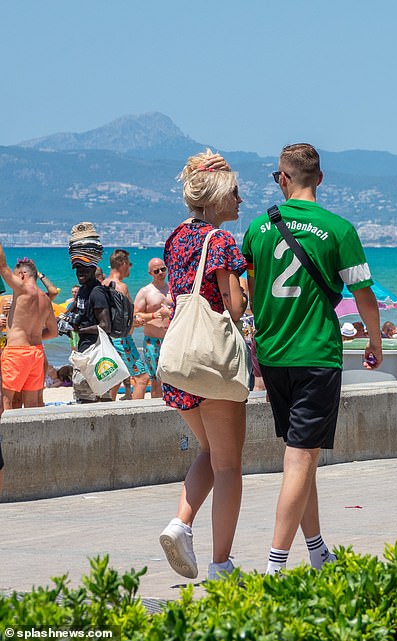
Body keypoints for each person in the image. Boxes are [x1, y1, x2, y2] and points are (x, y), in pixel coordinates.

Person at [242, 143, 382, 576]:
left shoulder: (257, 229)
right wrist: (373, 340)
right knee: (301, 459)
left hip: (274, 355)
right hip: (316, 354)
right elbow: (363, 297)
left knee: (302, 454)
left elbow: (253, 291)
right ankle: (276, 565)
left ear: (282, 179)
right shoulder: (339, 230)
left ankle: (319, 551)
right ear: (319, 178)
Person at [158, 150, 248, 582]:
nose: (240, 200)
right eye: (234, 192)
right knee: (229, 465)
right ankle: (220, 565)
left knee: (210, 452)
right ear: (214, 198)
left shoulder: (176, 237)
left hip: (179, 366)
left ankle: (180, 523)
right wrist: (247, 291)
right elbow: (233, 304)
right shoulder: (223, 242)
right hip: (212, 365)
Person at [64, 223, 113, 404]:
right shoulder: (84, 290)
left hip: (98, 354)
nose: (80, 272)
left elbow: (105, 326)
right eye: (78, 269)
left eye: (84, 269)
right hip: (84, 352)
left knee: (99, 399)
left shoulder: (97, 292)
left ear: (93, 269)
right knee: (84, 399)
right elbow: (75, 309)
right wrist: (64, 320)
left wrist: (79, 330)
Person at [0, 253, 57, 409]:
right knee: (32, 404)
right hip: (36, 353)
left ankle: (7, 434)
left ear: (22, 275)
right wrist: (36, 335)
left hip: (16, 353)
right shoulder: (45, 299)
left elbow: (2, 266)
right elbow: (53, 332)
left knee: (6, 401)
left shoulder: (23, 289)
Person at [102, 250, 150, 400]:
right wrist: (136, 322)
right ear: (123, 264)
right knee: (142, 379)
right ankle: (137, 415)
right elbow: (125, 318)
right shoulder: (121, 287)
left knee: (115, 378)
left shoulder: (102, 284)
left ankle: (109, 408)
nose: (130, 267)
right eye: (129, 264)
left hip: (108, 338)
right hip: (122, 340)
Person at [133, 258, 172, 398]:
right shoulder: (145, 292)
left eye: (163, 269)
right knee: (156, 379)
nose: (161, 273)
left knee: (174, 378)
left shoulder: (172, 289)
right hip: (153, 341)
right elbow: (135, 315)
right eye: (157, 271)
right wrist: (155, 315)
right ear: (150, 273)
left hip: (172, 340)